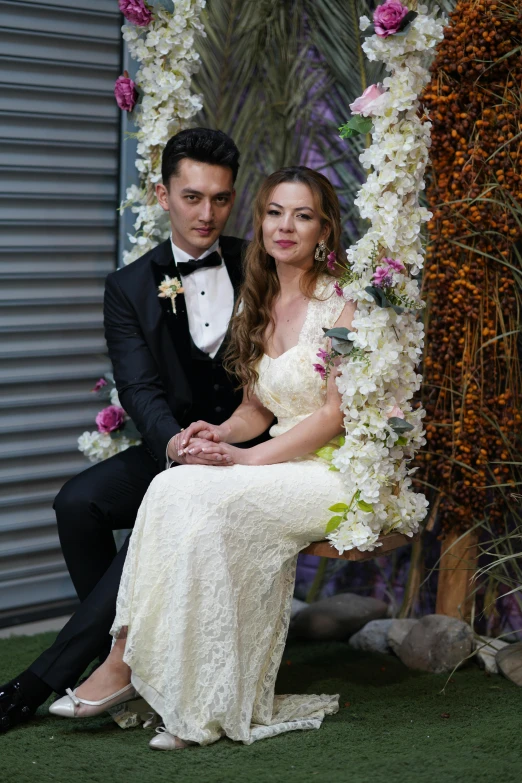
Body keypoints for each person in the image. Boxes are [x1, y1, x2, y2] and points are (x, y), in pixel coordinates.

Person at [49, 166, 357, 749]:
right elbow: (256, 410)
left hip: (332, 469)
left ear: (325, 229)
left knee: (200, 499)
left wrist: (244, 461)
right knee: (173, 485)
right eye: (274, 212)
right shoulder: (258, 302)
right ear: (261, 219)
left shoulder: (345, 305)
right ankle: (142, 668)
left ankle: (145, 677)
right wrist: (218, 434)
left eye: (303, 215)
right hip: (277, 458)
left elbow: (330, 417)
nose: (285, 226)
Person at [0, 128, 255, 733]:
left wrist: (224, 445)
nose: (207, 213)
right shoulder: (129, 287)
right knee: (77, 502)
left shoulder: (259, 263)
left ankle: (46, 678)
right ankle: (129, 651)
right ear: (162, 195)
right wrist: (175, 445)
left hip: (249, 448)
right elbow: (139, 389)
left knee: (158, 518)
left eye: (220, 199)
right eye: (192, 197)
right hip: (174, 445)